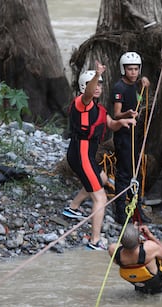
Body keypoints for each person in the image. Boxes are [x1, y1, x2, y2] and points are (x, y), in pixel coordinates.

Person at [63, 60, 137, 251]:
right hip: (81, 153)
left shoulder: (99, 109)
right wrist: (96, 74)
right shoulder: (82, 103)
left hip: (86, 154)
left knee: (101, 178)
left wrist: (125, 121)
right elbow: (88, 94)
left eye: (100, 84)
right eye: (95, 84)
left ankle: (73, 208)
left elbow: (111, 124)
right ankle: (94, 241)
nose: (98, 88)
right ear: (84, 87)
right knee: (100, 198)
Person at [111, 51, 151, 225]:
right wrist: (127, 113)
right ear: (123, 69)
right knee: (124, 172)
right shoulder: (119, 88)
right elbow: (116, 114)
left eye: (136, 69)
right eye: (130, 69)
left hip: (135, 134)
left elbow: (140, 95)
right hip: (123, 135)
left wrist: (145, 83)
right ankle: (120, 211)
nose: (133, 72)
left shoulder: (137, 85)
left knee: (136, 171)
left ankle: (137, 208)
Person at [108, 223, 162, 297]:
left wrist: (131, 232)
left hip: (141, 287)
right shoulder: (149, 248)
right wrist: (149, 235)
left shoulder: (114, 251)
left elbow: (125, 245)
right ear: (138, 239)